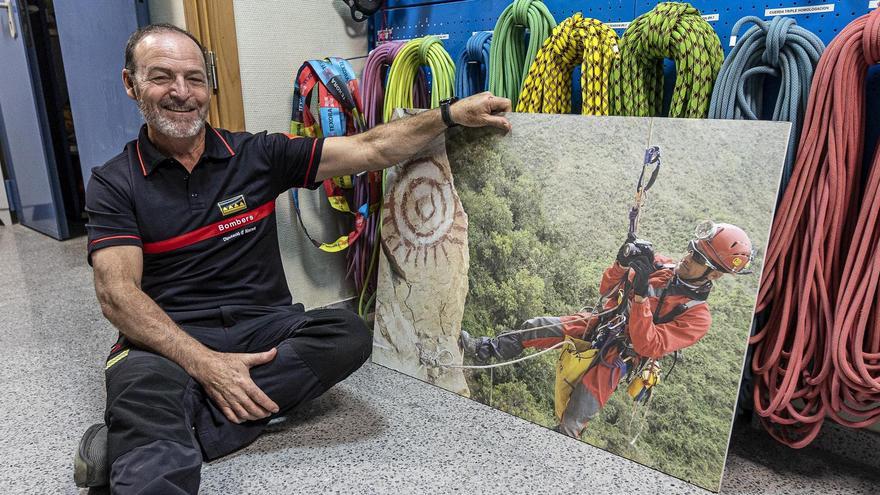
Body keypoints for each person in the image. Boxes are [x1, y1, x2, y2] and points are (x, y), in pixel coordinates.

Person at [74, 23, 512, 494]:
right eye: (162, 77)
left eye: (195, 78)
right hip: (165, 339)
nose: (182, 93)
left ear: (208, 84)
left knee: (346, 334)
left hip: (261, 326)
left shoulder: (255, 155)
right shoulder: (114, 182)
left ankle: (143, 436)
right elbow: (117, 296)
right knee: (144, 387)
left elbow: (372, 147)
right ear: (131, 84)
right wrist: (206, 365)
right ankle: (172, 425)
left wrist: (449, 115)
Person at [460, 221, 754, 438]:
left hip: (619, 357)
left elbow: (647, 345)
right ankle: (483, 349)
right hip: (599, 323)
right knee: (536, 328)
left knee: (575, 417)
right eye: (691, 250)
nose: (687, 258)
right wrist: (621, 261)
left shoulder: (697, 317)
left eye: (698, 259)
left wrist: (640, 298)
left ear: (714, 274)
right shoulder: (660, 264)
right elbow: (607, 288)